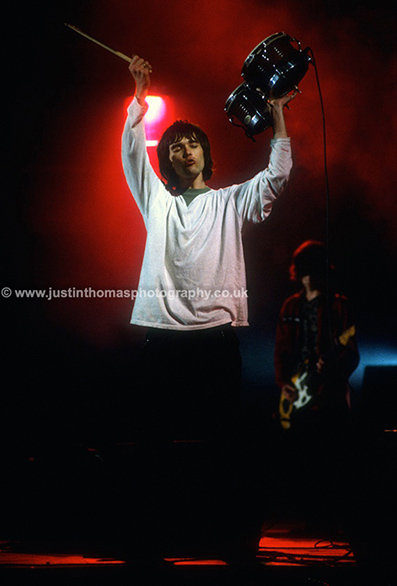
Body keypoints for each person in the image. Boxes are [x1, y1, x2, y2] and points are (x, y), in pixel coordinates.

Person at [120, 55, 296, 562]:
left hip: (216, 338)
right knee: (152, 448)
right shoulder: (157, 202)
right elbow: (134, 153)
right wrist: (138, 95)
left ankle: (235, 543)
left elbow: (277, 175)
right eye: (174, 145)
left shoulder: (229, 200)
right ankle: (145, 545)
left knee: (226, 448)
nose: (183, 148)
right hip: (163, 338)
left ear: (204, 153)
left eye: (192, 142)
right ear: (169, 161)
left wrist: (278, 113)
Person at [273, 240, 360, 535]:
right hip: (298, 396)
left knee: (333, 461)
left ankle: (333, 523)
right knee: (303, 462)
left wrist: (332, 366)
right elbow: (281, 352)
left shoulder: (340, 305)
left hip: (330, 398)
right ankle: (308, 521)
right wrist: (285, 384)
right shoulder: (290, 306)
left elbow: (351, 352)